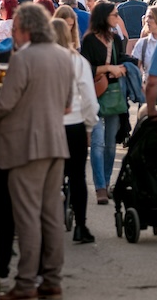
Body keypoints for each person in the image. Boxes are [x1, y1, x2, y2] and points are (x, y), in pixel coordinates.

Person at [0, 5, 74, 300]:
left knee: (28, 216)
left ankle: (26, 282)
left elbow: (4, 104)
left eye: (15, 29)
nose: (12, 34)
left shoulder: (23, 57)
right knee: (51, 214)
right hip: (55, 142)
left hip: (25, 145)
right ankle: (52, 278)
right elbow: (66, 103)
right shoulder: (62, 55)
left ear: (26, 29)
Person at [52, 17, 99, 245]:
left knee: (50, 175)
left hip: (48, 125)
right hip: (74, 123)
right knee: (78, 176)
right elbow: (89, 97)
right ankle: (81, 225)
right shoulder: (78, 61)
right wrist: (89, 123)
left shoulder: (40, 60)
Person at [81, 1, 129, 204]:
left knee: (110, 145)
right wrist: (108, 68)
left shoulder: (116, 38)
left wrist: (128, 65)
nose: (117, 18)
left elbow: (121, 59)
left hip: (114, 93)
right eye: (114, 14)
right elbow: (86, 68)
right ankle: (100, 186)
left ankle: (107, 182)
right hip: (95, 94)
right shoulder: (90, 40)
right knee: (98, 144)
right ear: (103, 17)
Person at [131, 6, 157, 76]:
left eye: (151, 17)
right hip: (149, 85)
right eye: (146, 17)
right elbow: (133, 69)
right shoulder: (142, 43)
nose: (147, 20)